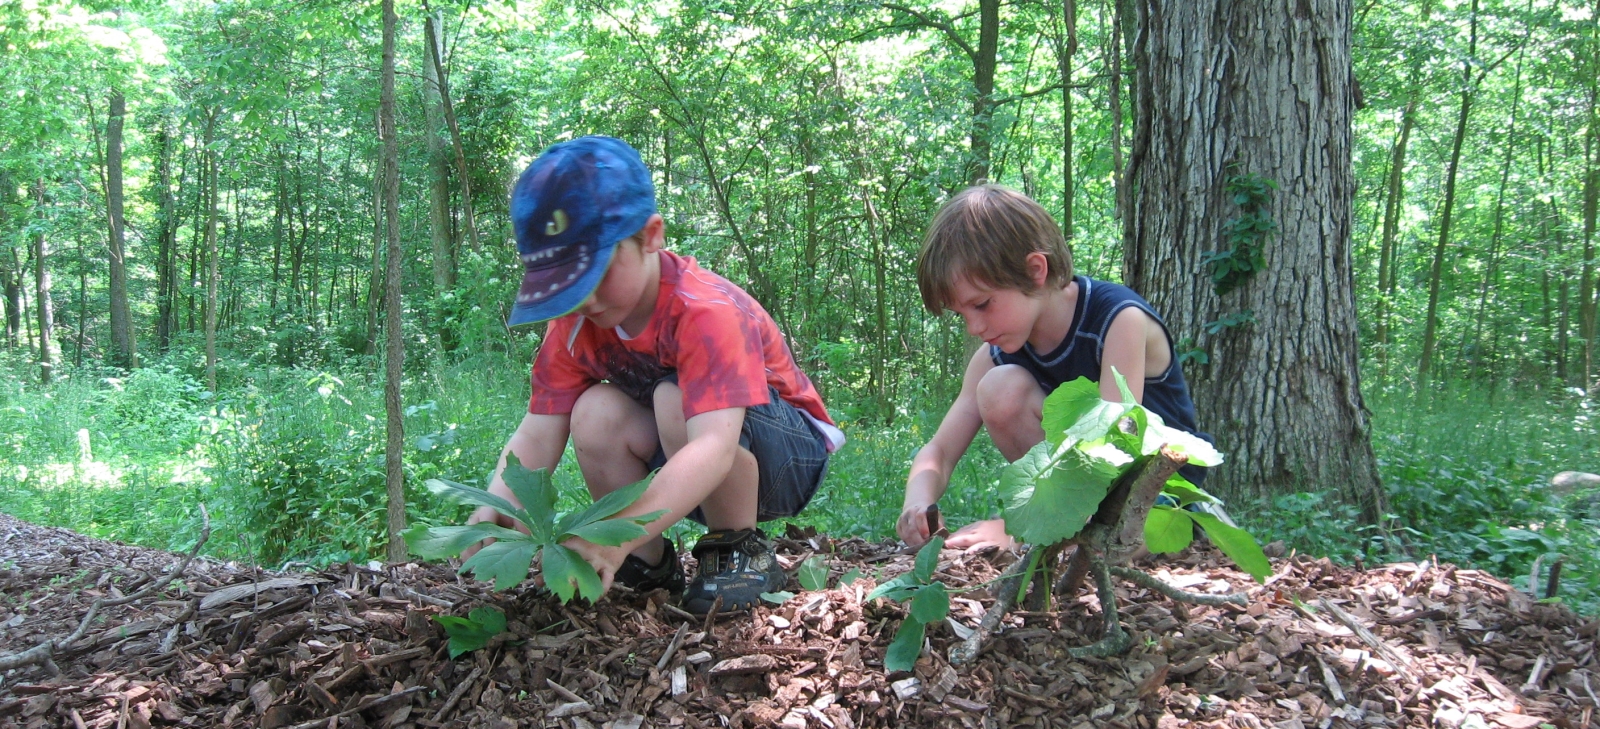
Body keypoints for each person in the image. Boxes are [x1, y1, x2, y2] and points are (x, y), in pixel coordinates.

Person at [467, 136, 843, 614]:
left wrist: (609, 532)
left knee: (674, 395)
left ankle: (735, 549)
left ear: (651, 235)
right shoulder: (574, 328)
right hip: (685, 452)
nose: (585, 298)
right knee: (595, 411)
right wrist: (498, 504)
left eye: (596, 271)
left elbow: (714, 446)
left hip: (785, 459)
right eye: (564, 285)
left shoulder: (704, 311)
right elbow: (538, 431)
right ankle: (645, 562)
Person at [897, 184, 1214, 550]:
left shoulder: (1118, 320)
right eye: (960, 315)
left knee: (1012, 393)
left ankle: (1065, 535)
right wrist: (916, 504)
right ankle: (1067, 535)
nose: (974, 328)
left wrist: (1019, 528)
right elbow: (940, 450)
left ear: (1035, 271)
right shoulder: (995, 352)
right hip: (1082, 501)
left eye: (982, 305)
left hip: (1156, 501)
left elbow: (1117, 446)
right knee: (999, 388)